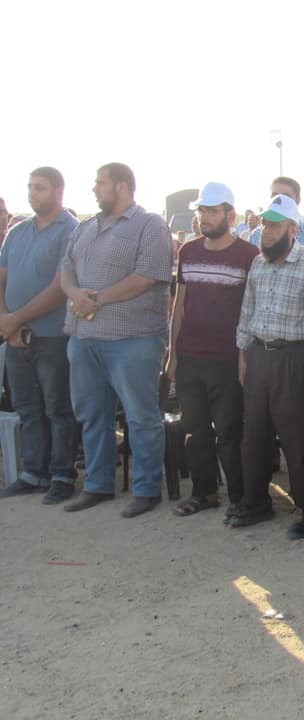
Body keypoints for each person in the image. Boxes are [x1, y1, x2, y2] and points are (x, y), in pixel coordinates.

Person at [60, 163, 173, 517]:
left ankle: (146, 488)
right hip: (84, 338)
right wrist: (75, 293)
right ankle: (98, 484)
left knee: (141, 416)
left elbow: (147, 276)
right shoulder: (85, 227)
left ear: (122, 186)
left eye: (101, 183)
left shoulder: (149, 225)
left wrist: (96, 299)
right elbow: (65, 269)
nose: (94, 189)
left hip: (133, 339)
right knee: (93, 415)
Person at [232, 194, 304, 538]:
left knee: (299, 439)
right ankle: (255, 503)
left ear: (293, 228)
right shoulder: (258, 263)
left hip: (294, 358)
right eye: (265, 223)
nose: (267, 230)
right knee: (254, 435)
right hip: (259, 356)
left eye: (275, 225)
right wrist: (243, 355)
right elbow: (247, 309)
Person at [165, 182, 259, 520]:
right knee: (195, 431)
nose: (205, 217)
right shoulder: (188, 251)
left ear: (230, 215)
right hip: (190, 358)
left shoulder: (249, 256)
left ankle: (239, 498)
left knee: (230, 433)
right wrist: (172, 355)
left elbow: (252, 310)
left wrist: (245, 359)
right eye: (202, 211)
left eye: (212, 211)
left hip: (228, 360)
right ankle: (203, 493)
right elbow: (179, 305)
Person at [0, 167, 78, 503]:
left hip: (53, 337)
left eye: (40, 188)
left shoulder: (71, 231)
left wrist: (14, 320)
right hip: (16, 337)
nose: (33, 193)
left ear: (59, 191)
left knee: (58, 408)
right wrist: (7, 322)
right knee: (27, 407)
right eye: (30, 187)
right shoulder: (17, 232)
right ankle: (33, 473)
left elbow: (60, 288)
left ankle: (61, 475)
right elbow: (1, 278)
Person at [247, 177, 304, 252]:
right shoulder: (255, 235)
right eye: (275, 195)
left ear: (298, 199)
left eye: (286, 196)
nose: (279, 199)